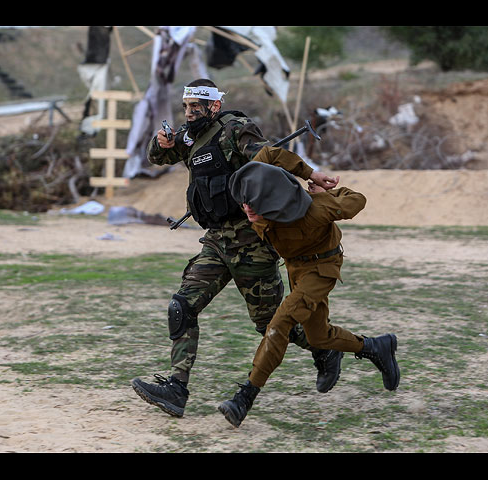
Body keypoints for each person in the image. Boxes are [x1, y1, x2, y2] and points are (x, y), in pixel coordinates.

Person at [130, 79, 344, 418]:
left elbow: (270, 155)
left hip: (251, 242)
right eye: (185, 107)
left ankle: (325, 348)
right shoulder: (190, 136)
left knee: (270, 324)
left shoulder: (235, 130)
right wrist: (161, 143)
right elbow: (159, 158)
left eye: (195, 107)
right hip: (216, 240)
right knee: (182, 306)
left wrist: (310, 174)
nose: (188, 113)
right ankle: (176, 387)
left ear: (213, 106)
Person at [219, 161, 400, 428]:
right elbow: (267, 154)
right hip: (296, 270)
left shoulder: (313, 209)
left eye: (254, 203)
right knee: (318, 336)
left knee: (279, 324)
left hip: (322, 267)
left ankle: (245, 396)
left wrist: (322, 192)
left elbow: (357, 200)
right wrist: (305, 171)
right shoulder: (256, 207)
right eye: (245, 201)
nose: (247, 208)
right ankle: (375, 347)